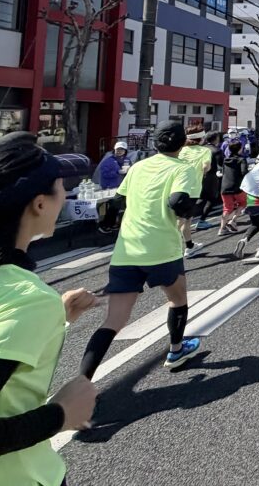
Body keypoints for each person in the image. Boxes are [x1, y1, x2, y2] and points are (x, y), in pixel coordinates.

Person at [0, 141, 100, 486]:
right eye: (62, 186)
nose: (65, 194)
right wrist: (59, 415)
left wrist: (52, 319)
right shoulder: (26, 299)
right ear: (39, 203)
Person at [79, 121, 202, 380]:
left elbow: (117, 201)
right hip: (162, 249)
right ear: (183, 144)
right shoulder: (184, 169)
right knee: (178, 300)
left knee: (113, 321)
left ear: (156, 143)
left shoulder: (137, 167)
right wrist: (187, 211)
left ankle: (82, 382)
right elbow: (179, 201)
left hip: (127, 250)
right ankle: (176, 350)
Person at [177, 127, 212, 256]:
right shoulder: (204, 151)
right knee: (184, 220)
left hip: (175, 187)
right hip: (192, 190)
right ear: (201, 139)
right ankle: (168, 247)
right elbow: (205, 166)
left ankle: (190, 245)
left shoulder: (181, 150)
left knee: (180, 219)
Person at [194, 132, 224, 230]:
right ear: (215, 139)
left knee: (200, 198)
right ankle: (201, 220)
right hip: (211, 176)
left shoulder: (200, 148)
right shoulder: (216, 150)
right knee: (211, 199)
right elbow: (221, 164)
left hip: (198, 175)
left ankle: (185, 218)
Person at [218, 140, 248, 235]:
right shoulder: (241, 159)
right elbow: (244, 172)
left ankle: (222, 229)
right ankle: (233, 220)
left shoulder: (225, 160)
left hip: (225, 187)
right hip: (237, 187)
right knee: (244, 202)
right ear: (240, 149)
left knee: (227, 208)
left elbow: (223, 172)